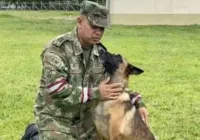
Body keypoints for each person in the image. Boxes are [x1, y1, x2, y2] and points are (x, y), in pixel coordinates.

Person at [34, 1, 148, 139]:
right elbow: (57, 90)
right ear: (80, 21)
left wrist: (138, 103)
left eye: (102, 28)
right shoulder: (57, 49)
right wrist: (96, 93)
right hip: (57, 120)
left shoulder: (101, 53)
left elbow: (114, 85)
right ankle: (33, 134)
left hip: (87, 122)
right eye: (94, 26)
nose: (98, 32)